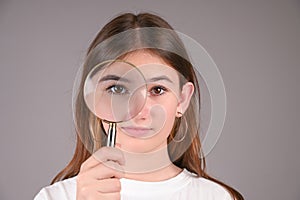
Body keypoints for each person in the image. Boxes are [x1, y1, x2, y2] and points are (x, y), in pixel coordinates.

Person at [34, 12, 244, 200]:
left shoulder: (217, 197)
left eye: (158, 90)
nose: (138, 111)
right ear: (93, 98)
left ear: (182, 100)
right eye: (118, 89)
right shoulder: (54, 197)